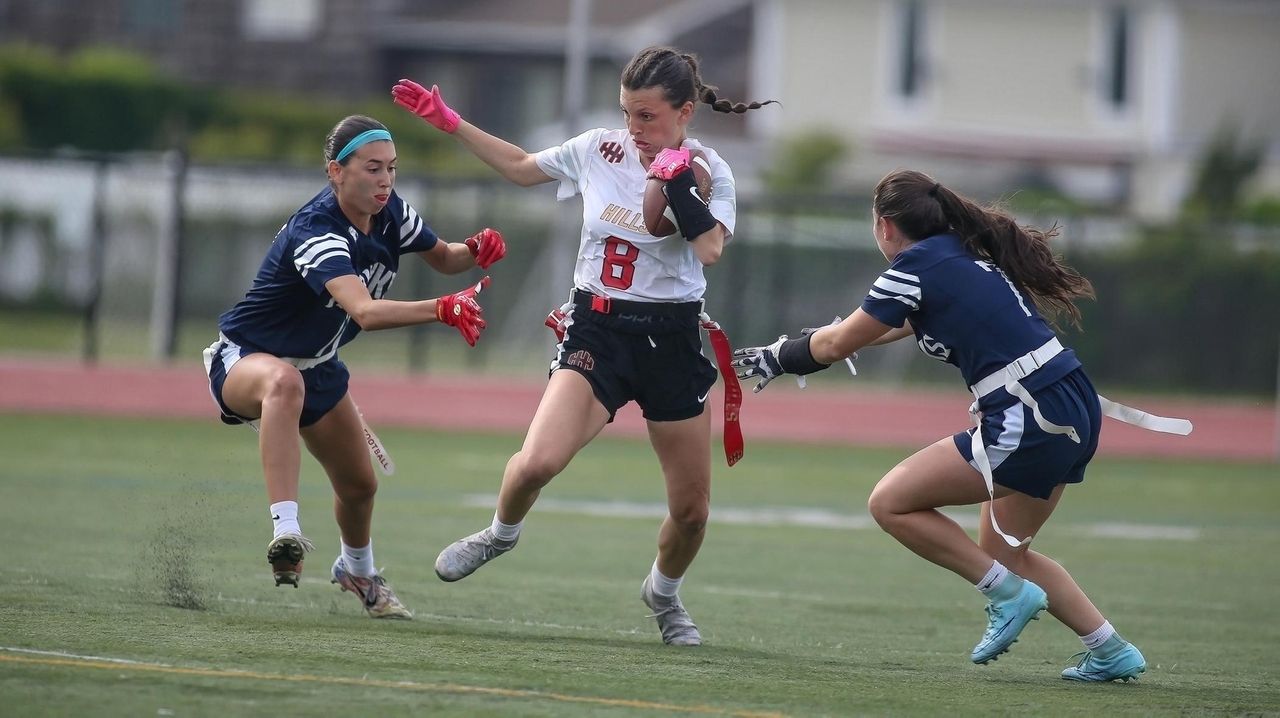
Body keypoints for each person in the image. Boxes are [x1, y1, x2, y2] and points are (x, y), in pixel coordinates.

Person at [732, 169, 1190, 680]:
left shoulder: (914, 265)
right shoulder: (956, 254)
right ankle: (1109, 649)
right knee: (1005, 555)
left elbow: (840, 344)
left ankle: (1007, 597)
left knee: (890, 503)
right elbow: (888, 326)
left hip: (1029, 412)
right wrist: (829, 338)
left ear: (884, 225)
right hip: (1067, 400)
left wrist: (783, 356)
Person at [391, 46, 775, 645]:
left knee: (692, 511)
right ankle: (499, 533)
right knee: (538, 462)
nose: (634, 129)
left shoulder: (710, 169)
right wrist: (450, 121)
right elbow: (521, 167)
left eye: (648, 116)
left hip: (672, 337)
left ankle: (663, 594)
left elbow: (709, 251)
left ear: (685, 112)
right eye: (628, 113)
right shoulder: (600, 147)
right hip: (598, 328)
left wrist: (677, 188)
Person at [202, 114, 506, 619]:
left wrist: (474, 250)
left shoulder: (392, 214)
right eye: (371, 169)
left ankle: (357, 570)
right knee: (283, 382)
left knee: (360, 486)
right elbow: (363, 310)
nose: (385, 180)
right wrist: (439, 309)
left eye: (391, 168)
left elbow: (445, 258)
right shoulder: (316, 229)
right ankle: (287, 532)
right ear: (335, 173)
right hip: (248, 358)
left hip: (319, 364)